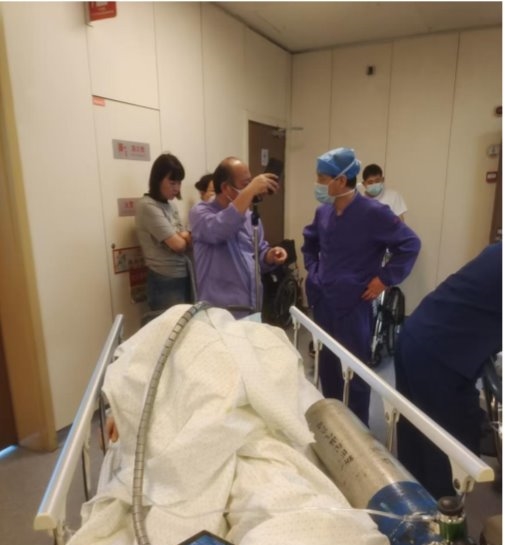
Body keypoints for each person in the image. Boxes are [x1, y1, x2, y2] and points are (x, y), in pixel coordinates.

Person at [302, 147, 421, 425]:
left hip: (354, 304)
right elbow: (310, 242)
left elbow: (410, 244)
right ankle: (333, 422)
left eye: (321, 178)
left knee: (353, 370)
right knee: (328, 365)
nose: (317, 184)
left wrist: (384, 279)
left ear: (340, 180)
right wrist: (313, 270)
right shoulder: (323, 212)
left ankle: (357, 429)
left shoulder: (373, 213)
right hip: (324, 300)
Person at [394, 242, 502, 499]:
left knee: (416, 436)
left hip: (417, 336)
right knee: (447, 451)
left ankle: (415, 507)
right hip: (441, 356)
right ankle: (443, 516)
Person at [189, 157, 288, 317]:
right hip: (219, 313)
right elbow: (219, 229)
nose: (251, 188)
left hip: (251, 306)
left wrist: (269, 256)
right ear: (226, 188)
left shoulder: (250, 217)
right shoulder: (201, 213)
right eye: (246, 184)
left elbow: (257, 253)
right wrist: (251, 191)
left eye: (251, 183)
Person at [135, 153, 192, 312]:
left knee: (185, 323)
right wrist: (182, 237)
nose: (177, 188)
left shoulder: (171, 205)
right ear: (158, 180)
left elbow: (185, 238)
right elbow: (179, 245)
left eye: (179, 183)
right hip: (163, 277)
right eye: (172, 182)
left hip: (182, 273)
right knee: (170, 326)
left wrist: (182, 236)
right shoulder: (147, 206)